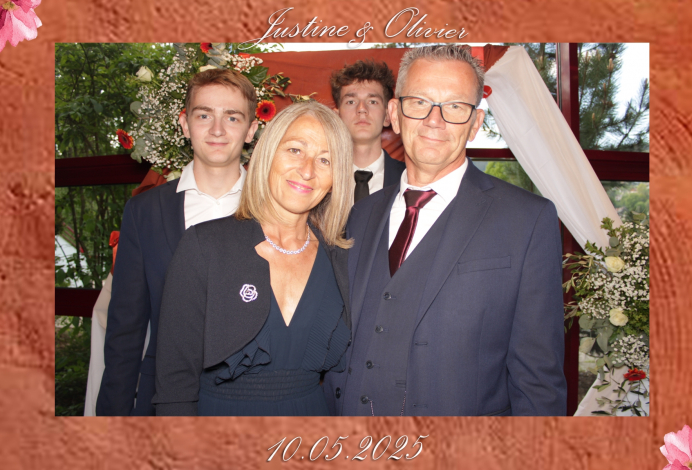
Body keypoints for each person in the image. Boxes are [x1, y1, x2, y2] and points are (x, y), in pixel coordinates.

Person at [325, 45, 567, 416]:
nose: (434, 120)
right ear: (395, 114)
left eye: (454, 106)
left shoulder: (527, 221)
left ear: (475, 122)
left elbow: (538, 381)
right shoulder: (360, 214)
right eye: (419, 102)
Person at [152, 101, 354, 416]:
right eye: (295, 150)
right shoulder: (204, 246)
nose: (307, 170)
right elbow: (173, 383)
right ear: (267, 153)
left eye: (325, 160)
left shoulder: (342, 260)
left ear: (335, 179)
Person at [96, 68, 259, 416]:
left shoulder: (275, 210)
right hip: (163, 399)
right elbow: (125, 329)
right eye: (204, 115)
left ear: (251, 129)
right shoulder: (144, 212)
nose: (217, 129)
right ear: (185, 124)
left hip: (252, 402)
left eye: (232, 117)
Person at [330, 60, 405, 203]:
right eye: (351, 102)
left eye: (372, 101)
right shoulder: (319, 177)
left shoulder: (409, 177)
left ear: (388, 116)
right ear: (337, 117)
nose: (362, 109)